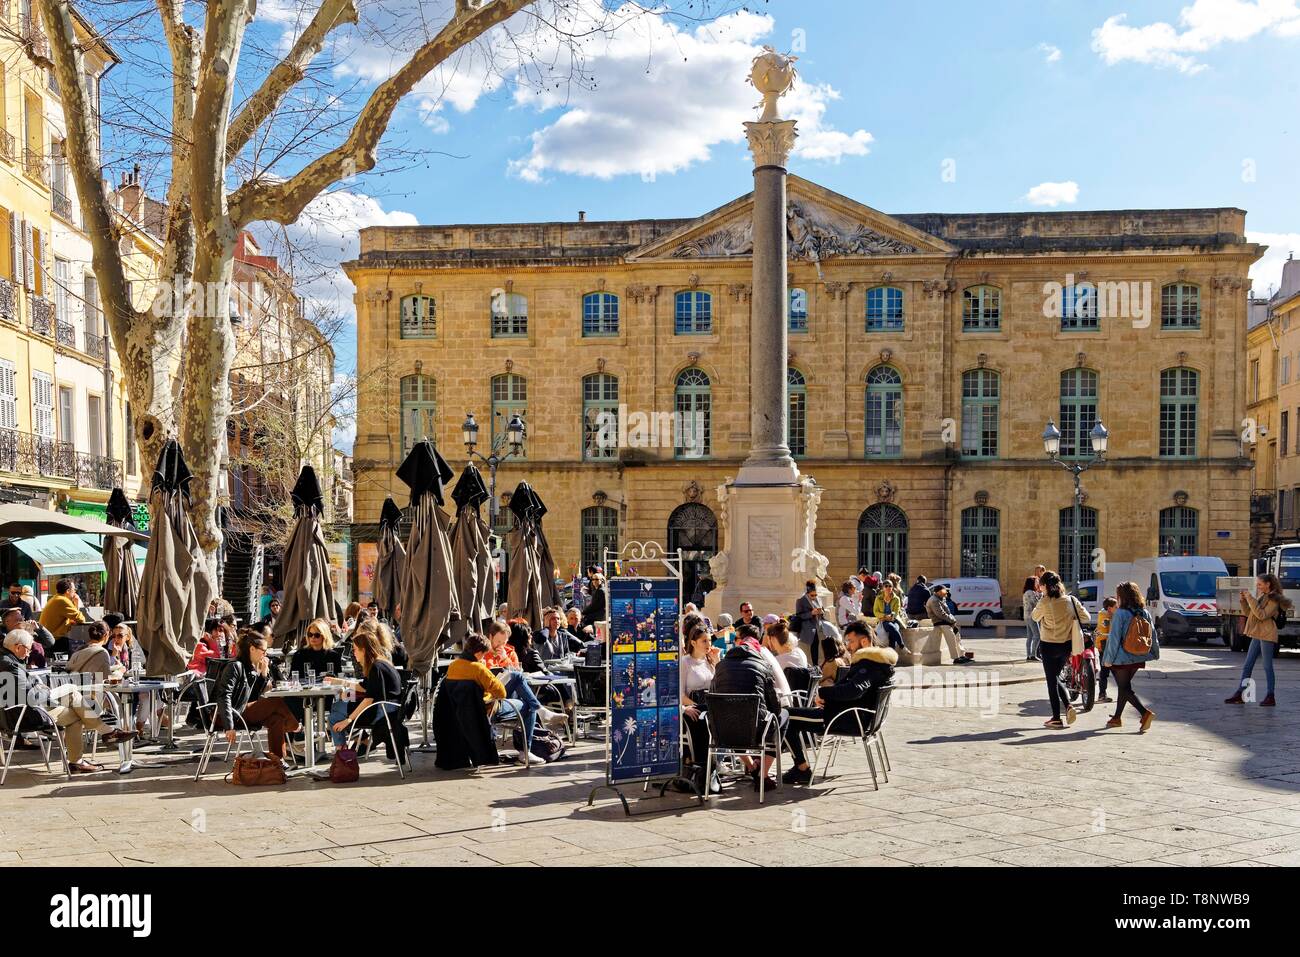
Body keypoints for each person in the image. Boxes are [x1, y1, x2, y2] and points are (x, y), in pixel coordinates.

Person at [782, 619, 898, 784]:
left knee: (787, 716)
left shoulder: (868, 664)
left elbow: (854, 691)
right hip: (858, 717)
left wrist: (823, 692)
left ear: (864, 641)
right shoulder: (879, 663)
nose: (848, 646)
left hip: (845, 718)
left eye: (851, 641)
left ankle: (801, 768)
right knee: (792, 715)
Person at [2, 629, 131, 773]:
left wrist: (39, 687)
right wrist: (44, 689)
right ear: (17, 647)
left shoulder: (6, 661)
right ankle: (104, 735)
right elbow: (31, 697)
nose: (29, 652)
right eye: (28, 649)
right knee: (73, 698)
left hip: (14, 714)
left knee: (73, 704)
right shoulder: (10, 666)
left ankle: (100, 740)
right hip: (23, 716)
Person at [709, 629, 786, 791]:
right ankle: (763, 775)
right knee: (781, 718)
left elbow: (713, 693)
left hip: (723, 732)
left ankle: (752, 767)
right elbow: (774, 705)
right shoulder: (763, 666)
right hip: (755, 731)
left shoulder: (720, 666)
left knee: (733, 717)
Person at [213, 630, 300, 762]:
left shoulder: (250, 668)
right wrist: (229, 726)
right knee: (275, 701)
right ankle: (296, 726)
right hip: (225, 715)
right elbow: (224, 696)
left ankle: (278, 761)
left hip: (241, 710)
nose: (265, 655)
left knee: (276, 719)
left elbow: (253, 697)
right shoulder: (235, 666)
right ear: (252, 649)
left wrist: (263, 676)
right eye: (263, 651)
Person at [326, 625, 402, 749]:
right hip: (388, 708)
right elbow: (365, 688)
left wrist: (349, 720)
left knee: (334, 715)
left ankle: (342, 754)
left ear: (364, 650)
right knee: (338, 705)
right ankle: (353, 745)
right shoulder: (381, 663)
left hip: (381, 712)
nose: (353, 653)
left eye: (355, 649)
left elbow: (368, 699)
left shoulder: (376, 667)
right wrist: (340, 682)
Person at [1030, 570, 1090, 729]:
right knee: (1056, 677)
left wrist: (1042, 600)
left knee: (1052, 680)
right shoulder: (1071, 600)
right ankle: (1067, 707)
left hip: (1048, 644)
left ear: (1044, 586)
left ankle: (1058, 716)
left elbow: (1034, 617)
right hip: (1066, 645)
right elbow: (1086, 618)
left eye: (1041, 586)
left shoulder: (1044, 602)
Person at [1100, 581, 1159, 731]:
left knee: (1125, 688)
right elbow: (1153, 634)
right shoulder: (1144, 612)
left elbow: (1114, 639)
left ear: (1122, 596)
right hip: (1139, 655)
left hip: (1122, 658)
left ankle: (1145, 713)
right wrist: (1154, 652)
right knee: (1124, 687)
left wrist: (1107, 660)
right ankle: (1116, 718)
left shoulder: (1120, 613)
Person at [1226, 573, 1289, 707]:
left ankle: (1270, 696)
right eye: (1257, 584)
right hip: (1257, 633)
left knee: (1267, 666)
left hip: (1266, 634)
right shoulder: (1263, 596)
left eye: (1260, 584)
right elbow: (1251, 614)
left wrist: (1250, 598)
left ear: (1268, 584)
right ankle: (1240, 693)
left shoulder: (1274, 599)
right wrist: (1244, 601)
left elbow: (1261, 615)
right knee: (1248, 665)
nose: (1258, 586)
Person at [680, 624, 720, 787]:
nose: (708, 644)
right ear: (694, 642)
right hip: (692, 707)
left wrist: (717, 663)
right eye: (704, 641)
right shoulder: (685, 662)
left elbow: (719, 687)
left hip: (710, 706)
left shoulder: (710, 661)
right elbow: (680, 694)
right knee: (702, 717)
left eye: (709, 640)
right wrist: (696, 706)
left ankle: (712, 767)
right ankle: (704, 768)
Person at [926, 584, 973, 665]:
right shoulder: (934, 600)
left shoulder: (941, 598)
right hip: (940, 622)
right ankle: (956, 658)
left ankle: (961, 655)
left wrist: (952, 621)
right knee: (951, 638)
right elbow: (940, 614)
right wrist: (952, 620)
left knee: (957, 636)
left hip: (947, 622)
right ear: (938, 592)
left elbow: (948, 612)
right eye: (944, 591)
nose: (945, 593)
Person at [289, 618, 343, 682]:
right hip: (305, 690)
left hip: (327, 690)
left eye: (317, 635)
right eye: (310, 634)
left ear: (324, 636)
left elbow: (339, 677)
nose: (313, 637)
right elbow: (292, 677)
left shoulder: (333, 655)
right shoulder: (299, 655)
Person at [38, 579, 85, 646]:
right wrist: (76, 602)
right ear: (68, 591)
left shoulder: (56, 598)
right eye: (74, 590)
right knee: (81, 645)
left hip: (46, 638)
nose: (75, 592)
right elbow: (81, 619)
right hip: (52, 640)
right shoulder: (63, 601)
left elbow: (74, 618)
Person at [792, 580, 824, 664]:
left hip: (817, 627)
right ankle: (810, 665)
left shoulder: (818, 599)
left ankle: (815, 665)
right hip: (807, 629)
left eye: (815, 594)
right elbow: (798, 615)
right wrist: (811, 613)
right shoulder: (801, 601)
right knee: (808, 649)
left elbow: (822, 609)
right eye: (812, 595)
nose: (814, 596)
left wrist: (821, 612)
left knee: (816, 647)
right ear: (807, 593)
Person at [1095, 597, 1117, 703]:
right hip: (1106, 646)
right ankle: (1102, 694)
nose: (1117, 609)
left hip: (1102, 645)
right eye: (1115, 607)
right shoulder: (1106, 617)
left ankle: (1102, 694)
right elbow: (1109, 632)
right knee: (1111, 671)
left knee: (1106, 672)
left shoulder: (1103, 614)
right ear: (1109, 608)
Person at [872, 581, 905, 650]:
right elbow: (875, 611)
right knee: (891, 627)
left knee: (894, 630)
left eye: (890, 586)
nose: (888, 588)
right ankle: (902, 645)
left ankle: (891, 655)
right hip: (883, 620)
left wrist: (891, 616)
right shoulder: (878, 598)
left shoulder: (896, 599)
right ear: (883, 588)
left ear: (892, 588)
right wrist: (884, 616)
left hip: (894, 619)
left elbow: (896, 611)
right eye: (886, 586)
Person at [1022, 576, 1043, 661]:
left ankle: (1028, 655)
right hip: (1032, 616)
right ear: (1032, 583)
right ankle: (1033, 655)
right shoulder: (1030, 592)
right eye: (1036, 582)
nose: (1037, 583)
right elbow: (1036, 603)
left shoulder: (1027, 592)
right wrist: (1041, 595)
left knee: (1030, 636)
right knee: (1037, 635)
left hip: (1027, 616)